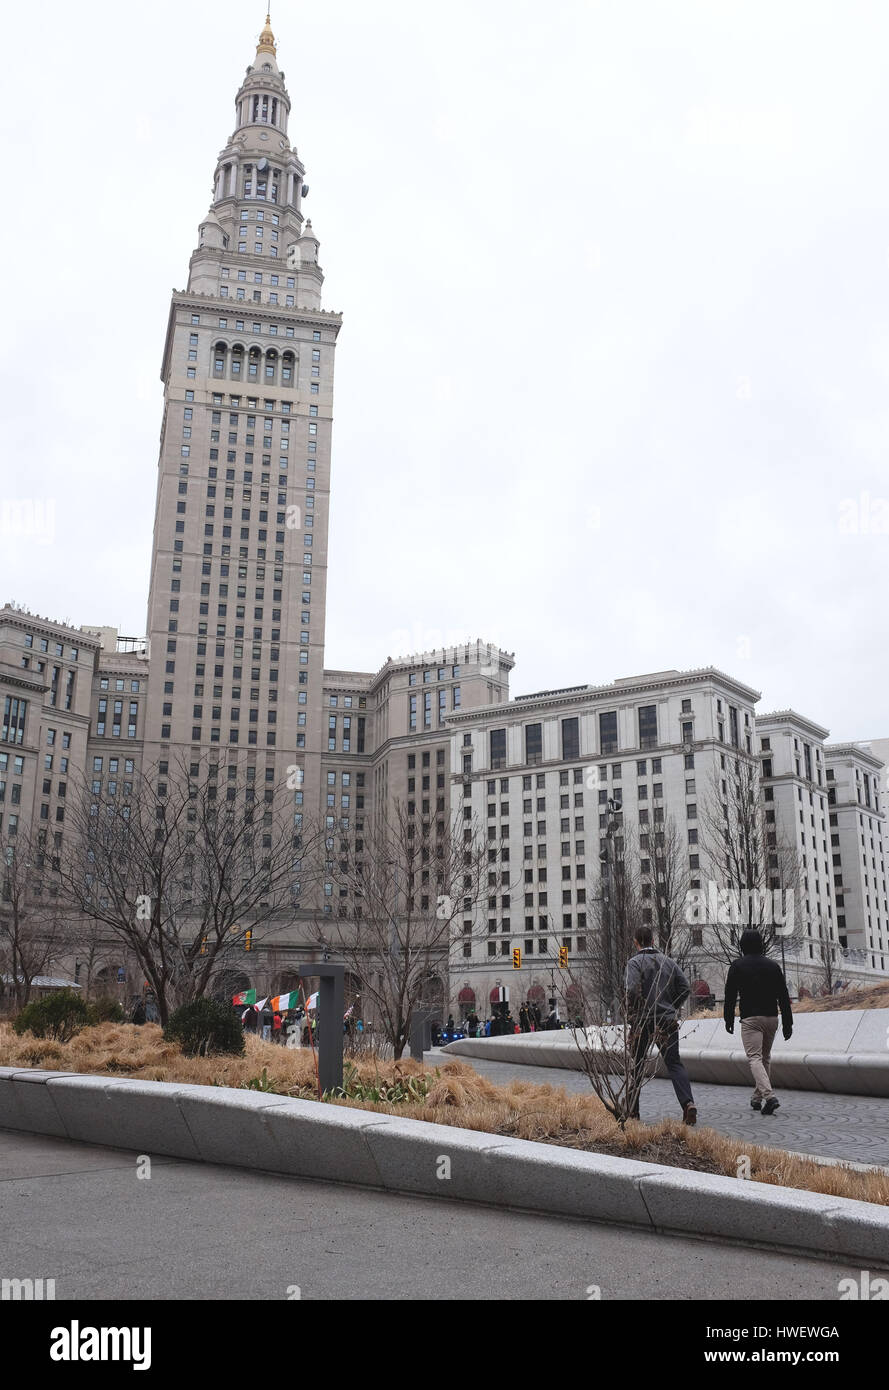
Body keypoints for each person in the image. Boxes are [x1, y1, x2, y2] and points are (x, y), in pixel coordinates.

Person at [625, 925, 697, 1125]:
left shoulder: (634, 963)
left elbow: (631, 990)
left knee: (637, 1066)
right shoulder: (669, 962)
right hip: (666, 1019)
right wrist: (671, 1006)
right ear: (653, 941)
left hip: (643, 1020)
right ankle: (688, 1103)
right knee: (674, 1063)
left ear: (636, 942)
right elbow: (684, 988)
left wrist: (632, 1014)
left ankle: (633, 1111)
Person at [723, 928, 793, 1115]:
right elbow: (784, 996)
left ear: (742, 945)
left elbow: (730, 995)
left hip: (751, 1019)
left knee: (754, 1058)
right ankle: (756, 1098)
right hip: (772, 1018)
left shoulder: (737, 966)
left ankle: (769, 1097)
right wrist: (788, 1023)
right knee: (765, 1058)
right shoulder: (773, 966)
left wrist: (728, 1018)